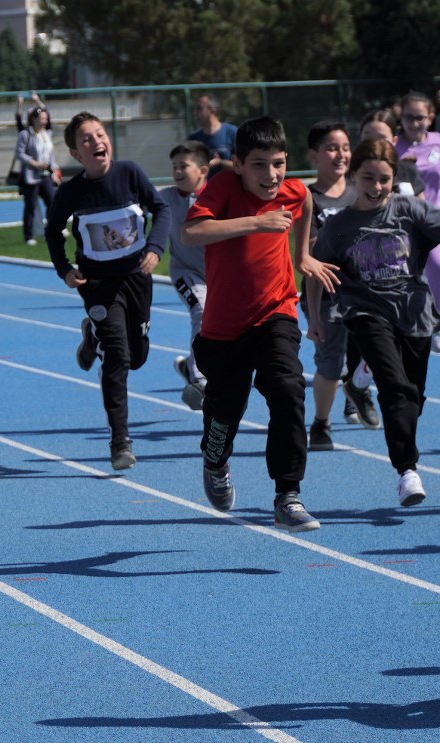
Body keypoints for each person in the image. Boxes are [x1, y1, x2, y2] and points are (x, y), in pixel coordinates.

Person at [182, 116, 337, 533]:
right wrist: (257, 222)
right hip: (224, 328)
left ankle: (288, 494)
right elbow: (193, 231)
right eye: (259, 165)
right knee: (225, 412)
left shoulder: (292, 188)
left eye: (278, 163)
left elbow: (303, 199)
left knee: (288, 387)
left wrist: (302, 256)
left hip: (276, 311)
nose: (271, 175)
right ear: (237, 163)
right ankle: (215, 462)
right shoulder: (223, 188)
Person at [308, 137, 440, 507]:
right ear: (354, 177)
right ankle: (406, 471)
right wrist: (315, 317)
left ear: (394, 177)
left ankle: (359, 378)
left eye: (384, 178)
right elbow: (316, 273)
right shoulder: (340, 226)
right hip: (364, 312)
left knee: (414, 397)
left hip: (414, 313)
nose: (377, 187)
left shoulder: (411, 210)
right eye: (368, 178)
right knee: (396, 390)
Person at [47, 112, 171, 471]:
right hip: (98, 284)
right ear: (75, 153)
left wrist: (154, 249)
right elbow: (54, 231)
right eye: (87, 139)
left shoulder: (130, 173)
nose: (96, 141)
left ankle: (91, 338)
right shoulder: (71, 191)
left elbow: (160, 209)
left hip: (136, 275)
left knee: (137, 356)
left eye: (100, 134)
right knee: (117, 358)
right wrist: (64, 269)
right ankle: (120, 439)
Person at [300, 120, 377, 453]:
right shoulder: (307, 198)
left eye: (346, 147)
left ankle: (358, 388)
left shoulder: (362, 192)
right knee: (330, 364)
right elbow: (303, 255)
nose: (341, 154)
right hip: (326, 293)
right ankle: (320, 423)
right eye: (332, 147)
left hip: (367, 292)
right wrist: (314, 314)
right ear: (314, 156)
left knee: (382, 348)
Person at [395, 92, 440, 354]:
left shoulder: (438, 143)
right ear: (401, 117)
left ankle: (437, 322)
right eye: (408, 117)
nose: (414, 122)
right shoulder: (393, 145)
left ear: (430, 118)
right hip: (398, 222)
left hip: (429, 221)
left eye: (419, 117)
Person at [160, 141, 211, 410]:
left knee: (221, 330)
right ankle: (199, 379)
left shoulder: (216, 197)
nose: (177, 171)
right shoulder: (165, 197)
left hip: (218, 275)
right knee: (201, 311)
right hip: (185, 272)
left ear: (202, 170)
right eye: (174, 167)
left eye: (184, 166)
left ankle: (191, 367)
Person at [14, 105, 59, 244]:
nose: (44, 121)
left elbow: (51, 156)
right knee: (30, 206)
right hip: (31, 176)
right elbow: (19, 153)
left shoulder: (47, 134)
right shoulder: (25, 134)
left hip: (45, 175)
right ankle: (28, 236)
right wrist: (34, 163)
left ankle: (51, 231)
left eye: (46, 118)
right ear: (34, 119)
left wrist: (55, 171)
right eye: (42, 118)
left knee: (52, 203)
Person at [188, 94, 238, 171]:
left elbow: (243, 167)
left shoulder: (232, 132)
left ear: (212, 110)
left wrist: (220, 163)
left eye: (199, 108)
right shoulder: (193, 138)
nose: (195, 113)